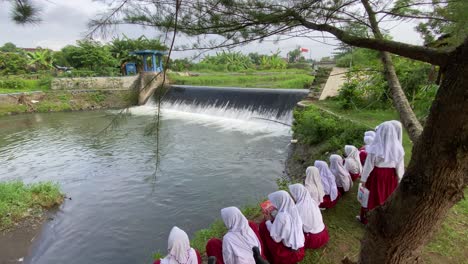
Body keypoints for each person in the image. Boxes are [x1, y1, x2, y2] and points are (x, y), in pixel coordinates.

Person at [358, 121, 405, 224]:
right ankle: (382, 220)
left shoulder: (375, 148)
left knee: (372, 196)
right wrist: (399, 177)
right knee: (386, 196)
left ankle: (368, 218)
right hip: (391, 176)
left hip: (377, 175)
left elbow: (368, 166)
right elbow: (399, 165)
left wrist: (364, 179)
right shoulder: (398, 149)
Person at [259, 190, 305, 264]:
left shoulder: (281, 217)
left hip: (288, 253)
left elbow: (276, 239)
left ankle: (266, 253)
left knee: (263, 226)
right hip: (300, 249)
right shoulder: (294, 209)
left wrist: (268, 221)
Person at [289, 184, 329, 249]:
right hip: (323, 234)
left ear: (297, 195)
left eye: (292, 195)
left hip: (313, 239)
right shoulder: (312, 201)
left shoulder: (297, 208)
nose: (291, 196)